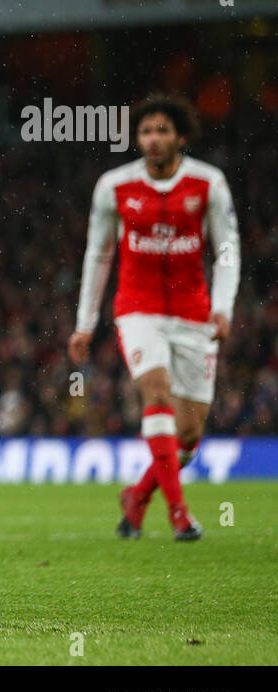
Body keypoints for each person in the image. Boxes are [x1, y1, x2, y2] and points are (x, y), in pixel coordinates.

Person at [69, 94, 240, 541]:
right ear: (137, 138)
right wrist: (85, 322)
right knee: (156, 391)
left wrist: (222, 308)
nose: (154, 138)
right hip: (137, 309)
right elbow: (99, 253)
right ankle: (179, 515)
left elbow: (226, 250)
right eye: (146, 131)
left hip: (193, 313)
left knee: (189, 433)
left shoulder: (208, 184)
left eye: (163, 130)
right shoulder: (114, 186)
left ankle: (139, 496)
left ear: (180, 136)